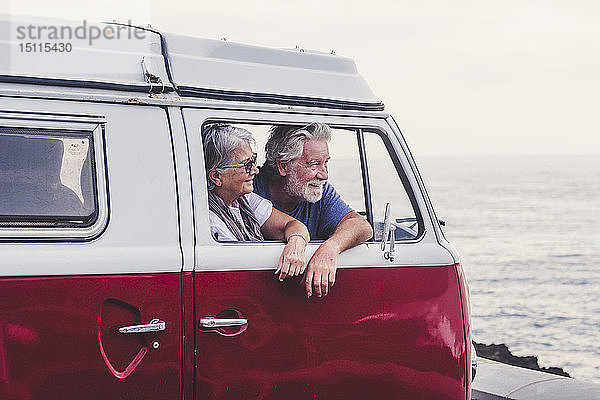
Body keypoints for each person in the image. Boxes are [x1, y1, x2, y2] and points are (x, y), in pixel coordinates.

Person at [253, 123, 373, 297]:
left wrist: (331, 247)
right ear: (283, 166)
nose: (324, 174)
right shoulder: (248, 188)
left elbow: (361, 226)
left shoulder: (319, 192)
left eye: (326, 163)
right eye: (314, 164)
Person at [203, 124, 310, 281]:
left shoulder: (244, 200)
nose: (255, 170)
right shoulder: (211, 222)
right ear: (216, 177)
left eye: (253, 161)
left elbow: (293, 225)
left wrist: (296, 243)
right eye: (247, 165)